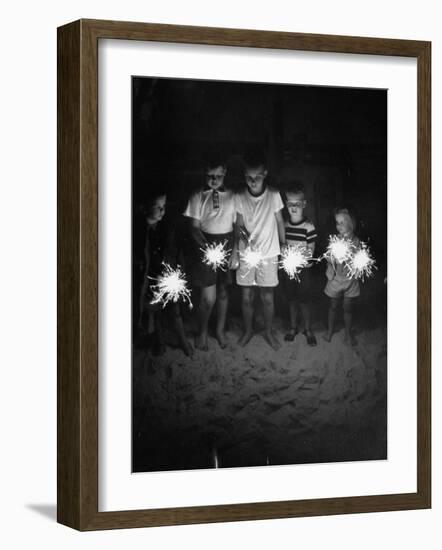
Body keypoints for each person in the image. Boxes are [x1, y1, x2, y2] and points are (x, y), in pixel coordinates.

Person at [232, 150, 286, 350]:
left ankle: (269, 332)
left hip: (269, 253)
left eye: (256, 177)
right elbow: (237, 224)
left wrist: (284, 246)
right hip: (247, 254)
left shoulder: (273, 195)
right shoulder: (239, 196)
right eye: (248, 177)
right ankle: (248, 331)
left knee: (267, 296)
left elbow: (280, 221)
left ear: (265, 174)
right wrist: (238, 245)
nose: (252, 181)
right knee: (246, 296)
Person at [183, 155, 237, 350]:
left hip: (227, 243)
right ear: (204, 174)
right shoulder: (198, 195)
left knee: (223, 292)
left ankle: (220, 330)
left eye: (218, 176)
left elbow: (236, 226)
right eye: (210, 176)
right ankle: (202, 330)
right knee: (208, 297)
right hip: (205, 244)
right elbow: (194, 227)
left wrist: (234, 251)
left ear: (225, 174)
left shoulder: (232, 196)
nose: (214, 180)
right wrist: (205, 247)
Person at [138, 190, 193, 356]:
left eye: (164, 206)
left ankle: (182, 340)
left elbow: (174, 251)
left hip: (168, 275)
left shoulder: (166, 227)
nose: (162, 211)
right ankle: (159, 340)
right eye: (157, 207)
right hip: (149, 279)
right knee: (155, 311)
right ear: (144, 208)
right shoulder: (139, 230)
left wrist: (175, 270)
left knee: (174, 309)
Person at [282, 183, 318, 346]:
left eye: (297, 204)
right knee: (292, 299)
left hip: (304, 271)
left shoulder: (308, 227)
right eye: (290, 204)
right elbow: (282, 247)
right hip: (290, 270)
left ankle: (308, 329)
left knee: (304, 300)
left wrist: (296, 255)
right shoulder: (284, 225)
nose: (293, 207)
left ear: (304, 204)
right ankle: (293, 327)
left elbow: (310, 251)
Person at [323, 207, 360, 346]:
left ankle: (348, 334)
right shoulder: (335, 240)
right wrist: (331, 263)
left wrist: (356, 266)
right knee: (333, 305)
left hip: (350, 280)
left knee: (347, 307)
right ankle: (330, 331)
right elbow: (329, 257)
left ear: (350, 223)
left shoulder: (356, 241)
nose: (338, 226)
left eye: (342, 222)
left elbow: (360, 259)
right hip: (336, 279)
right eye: (337, 222)